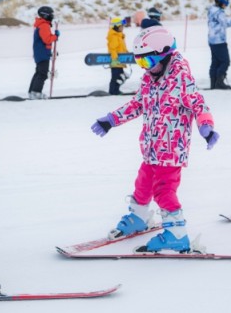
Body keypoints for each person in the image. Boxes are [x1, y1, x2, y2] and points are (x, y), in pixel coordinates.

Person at [90, 26, 220, 253]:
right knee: (143, 182)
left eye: (147, 62)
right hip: (151, 147)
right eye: (139, 63)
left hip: (171, 151)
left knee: (163, 190)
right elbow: (137, 104)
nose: (145, 69)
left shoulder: (181, 79)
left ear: (165, 54)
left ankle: (177, 234)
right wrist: (111, 120)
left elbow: (199, 104)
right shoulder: (150, 79)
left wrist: (206, 126)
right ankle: (139, 217)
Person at [207, 0, 231, 89]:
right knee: (225, 62)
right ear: (219, 3)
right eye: (224, 4)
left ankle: (213, 83)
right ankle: (219, 83)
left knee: (215, 62)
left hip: (212, 40)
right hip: (219, 41)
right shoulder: (219, 12)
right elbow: (226, 23)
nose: (225, 6)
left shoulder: (211, 10)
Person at [28, 6, 59, 99]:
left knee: (38, 72)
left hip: (41, 53)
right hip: (42, 54)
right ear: (46, 15)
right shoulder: (44, 25)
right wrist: (55, 36)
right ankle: (36, 92)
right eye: (51, 15)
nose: (52, 16)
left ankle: (32, 92)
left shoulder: (42, 24)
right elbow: (47, 39)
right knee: (43, 73)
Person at [107, 17, 129, 95]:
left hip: (120, 60)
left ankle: (116, 90)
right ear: (116, 27)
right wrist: (115, 58)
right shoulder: (114, 36)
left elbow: (122, 48)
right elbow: (112, 48)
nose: (122, 28)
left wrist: (127, 53)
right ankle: (113, 91)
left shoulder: (119, 36)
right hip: (116, 61)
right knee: (116, 77)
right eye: (121, 26)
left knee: (120, 76)